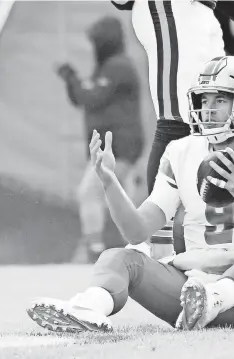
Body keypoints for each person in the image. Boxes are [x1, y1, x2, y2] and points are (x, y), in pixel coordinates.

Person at [26, 56, 234, 332]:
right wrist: (110, 183)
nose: (208, 110)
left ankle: (214, 299)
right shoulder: (181, 152)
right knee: (122, 257)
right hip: (193, 291)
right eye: (203, 100)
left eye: (220, 100)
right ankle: (88, 309)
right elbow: (138, 231)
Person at [111, 0, 234, 258]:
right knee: (187, 120)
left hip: (196, 15)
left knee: (202, 117)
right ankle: (159, 244)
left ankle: (162, 245)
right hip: (176, 12)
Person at [57, 16, 144, 263]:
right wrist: (71, 81)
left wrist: (72, 77)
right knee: (125, 196)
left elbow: (91, 96)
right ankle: (144, 246)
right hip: (117, 144)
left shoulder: (118, 66)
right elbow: (83, 97)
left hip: (118, 145)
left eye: (96, 41)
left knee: (89, 192)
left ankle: (94, 250)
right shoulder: (110, 67)